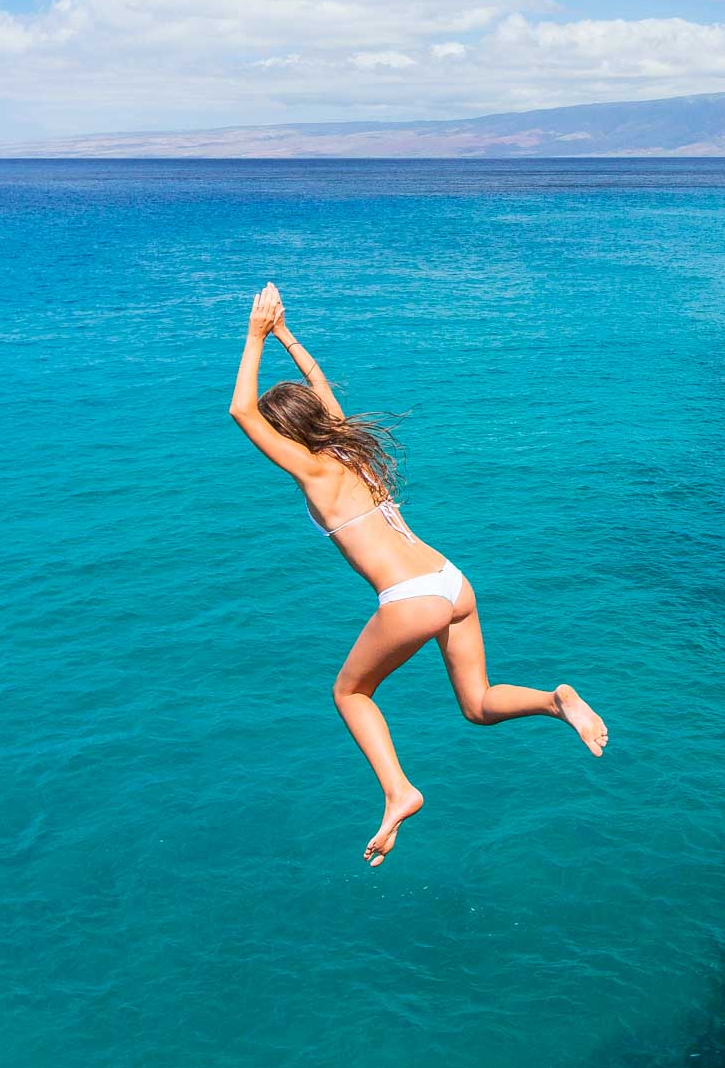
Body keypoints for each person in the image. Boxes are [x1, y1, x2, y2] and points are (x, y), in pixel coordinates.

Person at [229, 283, 608, 867]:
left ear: (287, 436)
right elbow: (323, 387)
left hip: (409, 598)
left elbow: (241, 411)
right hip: (452, 581)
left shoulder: (312, 471)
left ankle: (398, 790)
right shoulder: (349, 452)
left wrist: (255, 336)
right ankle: (555, 702)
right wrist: (285, 335)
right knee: (478, 704)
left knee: (349, 691)